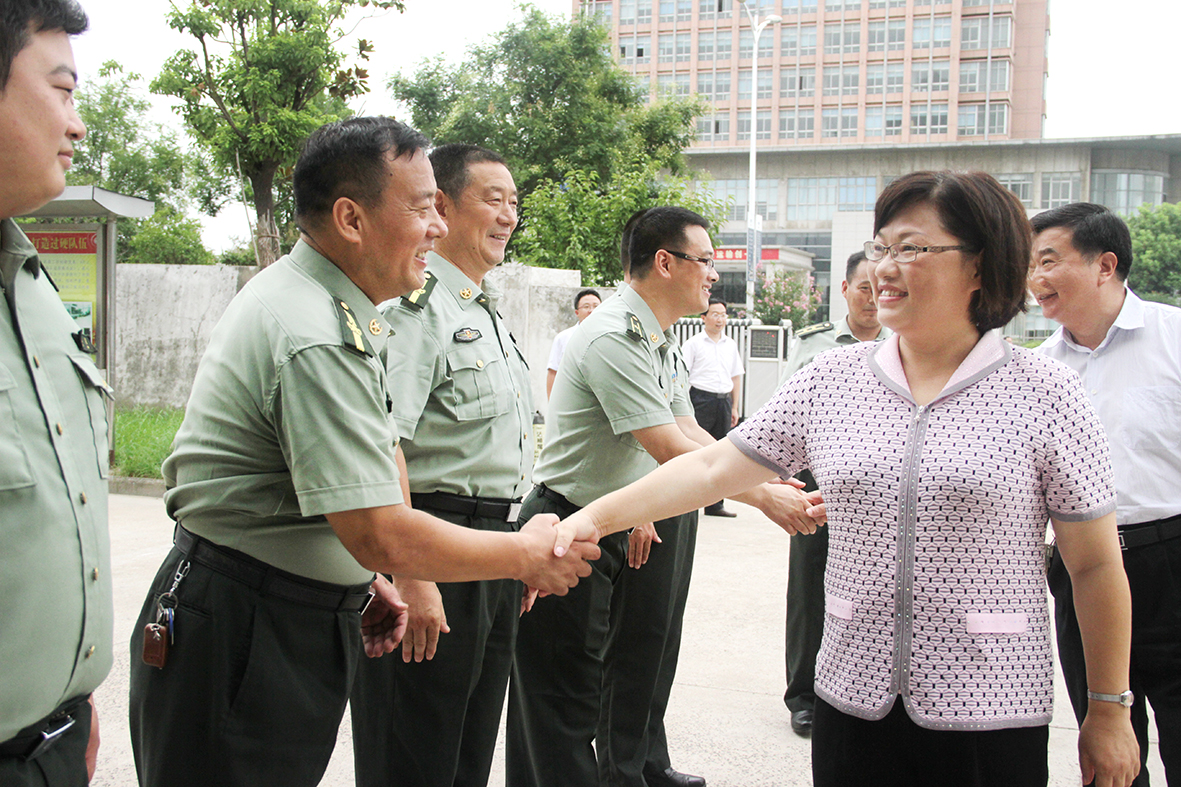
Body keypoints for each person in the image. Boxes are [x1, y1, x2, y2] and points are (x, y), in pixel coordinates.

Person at [552, 171, 1141, 787]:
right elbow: (708, 467)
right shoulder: (831, 379)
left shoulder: (1046, 391)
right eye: (882, 246)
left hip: (987, 705)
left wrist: (1108, 707)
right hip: (851, 695)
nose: (885, 267)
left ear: (981, 264)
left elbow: (1095, 565)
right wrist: (591, 518)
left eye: (912, 248)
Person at [126, 118, 600, 787]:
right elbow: (379, 529)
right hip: (247, 622)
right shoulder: (315, 330)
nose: (435, 227)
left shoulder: (338, 311)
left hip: (279, 611)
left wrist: (356, 574)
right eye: (418, 208)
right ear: (350, 217)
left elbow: (358, 469)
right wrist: (521, 553)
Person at [507, 206, 817, 787]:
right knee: (561, 699)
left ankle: (632, 772)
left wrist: (762, 476)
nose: (713, 276)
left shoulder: (658, 336)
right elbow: (672, 449)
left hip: (626, 518)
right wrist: (762, 499)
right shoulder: (611, 336)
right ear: (664, 262)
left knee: (631, 668)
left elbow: (696, 435)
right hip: (571, 520)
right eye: (705, 261)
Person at [349, 144, 535, 787]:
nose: (508, 214)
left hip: (489, 551)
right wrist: (412, 576)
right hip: (433, 548)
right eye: (493, 199)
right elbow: (384, 444)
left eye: (514, 202)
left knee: (469, 751)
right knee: (414, 752)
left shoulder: (487, 314)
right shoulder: (418, 314)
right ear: (445, 208)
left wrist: (517, 552)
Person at [1030, 202, 1181, 787]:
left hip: (1170, 560)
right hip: (1080, 567)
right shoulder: (1040, 371)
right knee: (1108, 745)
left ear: (1105, 265)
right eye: (1030, 264)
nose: (1034, 280)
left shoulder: (1173, 337)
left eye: (1049, 261)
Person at [0, 2, 110, 784]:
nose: (76, 125)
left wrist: (73, 701)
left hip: (55, 740)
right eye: (63, 90)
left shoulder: (30, 280)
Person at [779, 250, 891, 737]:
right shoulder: (813, 344)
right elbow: (786, 417)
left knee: (874, 591)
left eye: (879, 288)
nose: (872, 298)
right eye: (863, 288)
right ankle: (804, 696)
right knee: (809, 589)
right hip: (821, 484)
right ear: (844, 290)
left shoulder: (906, 341)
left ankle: (865, 688)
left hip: (884, 490)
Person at [681, 297, 744, 518]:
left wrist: (735, 406)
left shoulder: (730, 344)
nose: (720, 319)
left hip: (723, 401)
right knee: (695, 450)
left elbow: (736, 376)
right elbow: (682, 376)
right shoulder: (693, 344)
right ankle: (688, 501)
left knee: (722, 452)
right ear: (704, 317)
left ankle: (715, 505)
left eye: (723, 314)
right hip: (700, 400)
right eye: (715, 314)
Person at [547, 288, 601, 397]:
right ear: (577, 312)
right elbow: (553, 372)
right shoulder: (563, 338)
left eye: (596, 306)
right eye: (586, 307)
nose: (591, 310)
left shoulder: (610, 337)